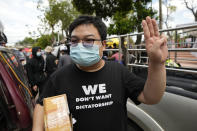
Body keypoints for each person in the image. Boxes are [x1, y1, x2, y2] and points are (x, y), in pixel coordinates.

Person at [33, 15, 168, 131]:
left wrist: (157, 64)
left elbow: (151, 97)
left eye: (89, 40)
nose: (80, 45)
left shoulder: (118, 71)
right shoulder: (59, 77)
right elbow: (41, 104)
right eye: (74, 41)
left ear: (103, 45)